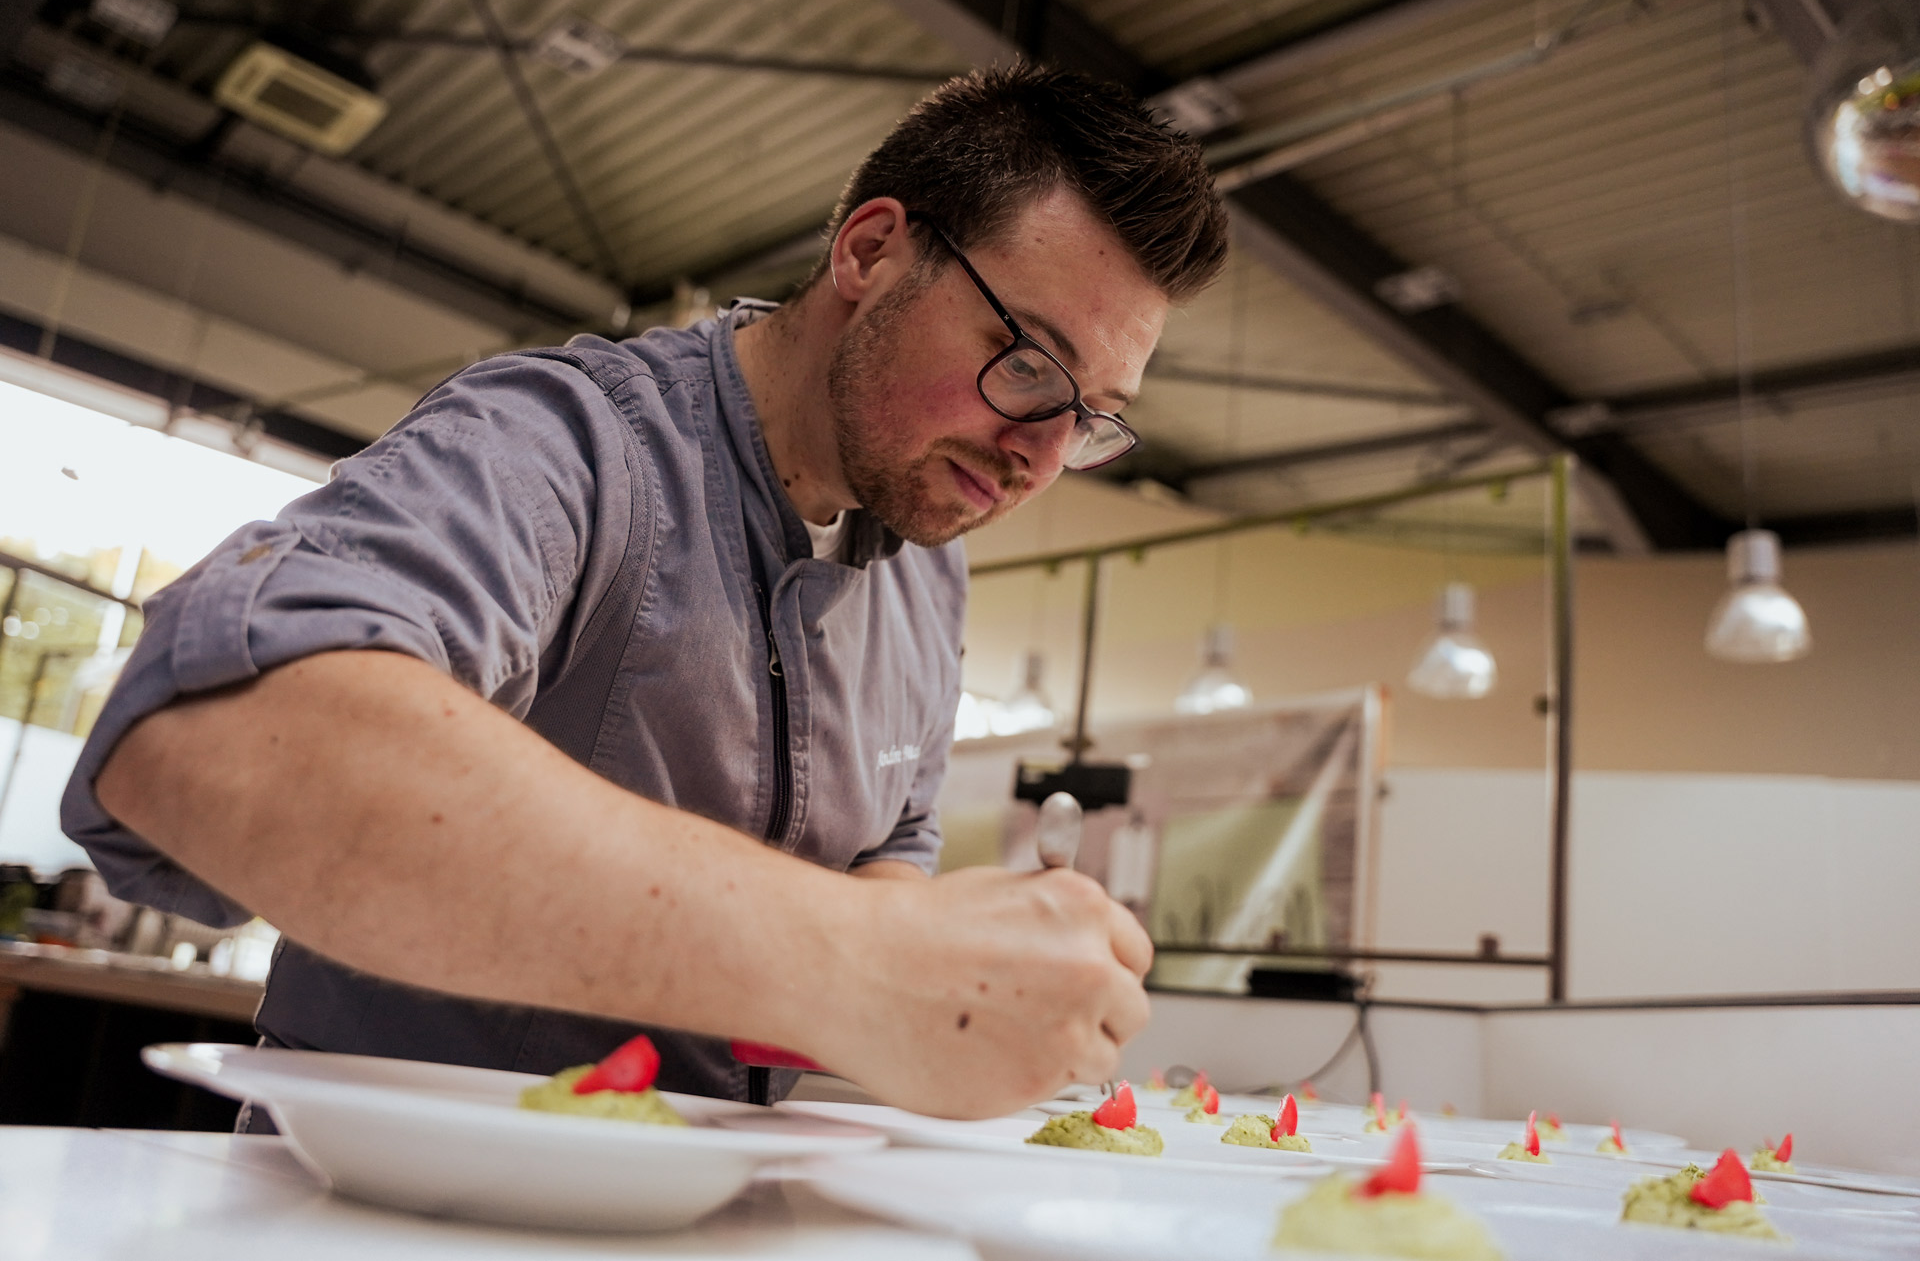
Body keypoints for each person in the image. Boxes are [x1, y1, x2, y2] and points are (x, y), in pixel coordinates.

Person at [61, 64, 1229, 1119]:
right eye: (1027, 363)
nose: (1037, 452)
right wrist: (854, 958)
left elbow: (893, 848)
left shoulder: (931, 560)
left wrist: (955, 985)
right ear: (870, 252)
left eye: (1089, 419)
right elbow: (218, 738)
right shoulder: (566, 445)